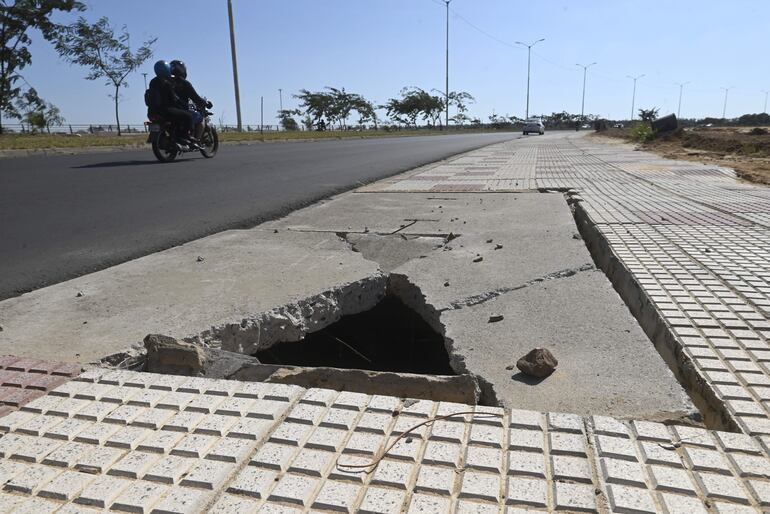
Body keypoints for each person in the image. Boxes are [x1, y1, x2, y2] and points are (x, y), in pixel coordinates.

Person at [146, 60, 195, 145]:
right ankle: (184, 136)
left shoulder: (153, 81)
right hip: (165, 110)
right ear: (166, 69)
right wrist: (183, 105)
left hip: (152, 111)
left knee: (176, 118)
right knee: (189, 116)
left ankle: (173, 136)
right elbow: (174, 99)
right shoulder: (167, 83)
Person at [169, 60, 212, 141]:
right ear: (182, 70)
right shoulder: (184, 83)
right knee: (200, 118)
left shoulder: (166, 82)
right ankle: (197, 140)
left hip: (168, 110)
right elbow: (195, 97)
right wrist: (205, 103)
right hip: (181, 110)